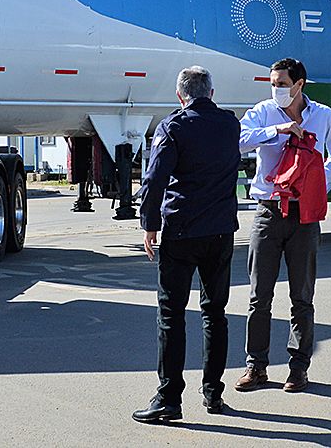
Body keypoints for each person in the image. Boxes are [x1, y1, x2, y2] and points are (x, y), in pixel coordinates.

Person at [132, 66, 241, 424]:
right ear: (211, 93)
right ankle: (213, 392)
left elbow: (155, 179)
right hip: (221, 231)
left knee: (171, 314)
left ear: (180, 95)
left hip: (181, 231)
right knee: (215, 313)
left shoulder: (173, 127)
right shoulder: (230, 124)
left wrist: (149, 224)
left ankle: (169, 397)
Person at [236, 58, 331, 394]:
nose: (277, 89)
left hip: (304, 215)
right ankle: (256, 366)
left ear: (300, 84)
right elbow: (238, 140)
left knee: (302, 296)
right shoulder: (263, 111)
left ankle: (298, 368)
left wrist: (319, 185)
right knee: (259, 296)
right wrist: (277, 130)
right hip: (268, 211)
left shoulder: (323, 115)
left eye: (283, 84)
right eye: (273, 83)